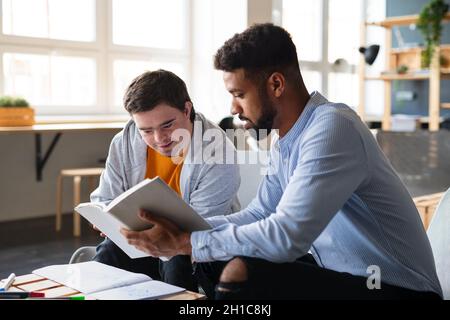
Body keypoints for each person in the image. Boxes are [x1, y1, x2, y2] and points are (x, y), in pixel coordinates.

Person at [120, 24, 443, 299]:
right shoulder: (287, 138)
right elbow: (261, 213)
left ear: (276, 84)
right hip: (341, 273)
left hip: (395, 289)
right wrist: (185, 230)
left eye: (239, 94)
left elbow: (287, 234)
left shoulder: (332, 128)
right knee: (211, 260)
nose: (233, 107)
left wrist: (188, 241)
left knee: (243, 272)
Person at [91, 69, 240, 292]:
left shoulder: (218, 151)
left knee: (176, 260)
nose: (160, 140)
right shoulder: (123, 141)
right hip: (141, 242)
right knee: (109, 252)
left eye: (167, 125)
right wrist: (105, 217)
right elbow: (104, 197)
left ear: (186, 109)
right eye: (146, 130)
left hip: (193, 248)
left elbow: (199, 228)